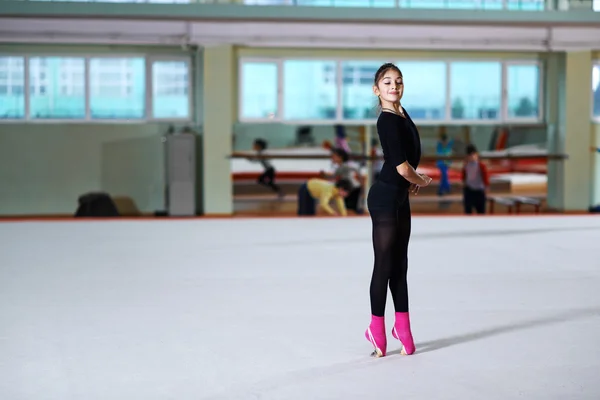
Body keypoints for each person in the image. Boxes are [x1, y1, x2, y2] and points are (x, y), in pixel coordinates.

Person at [364, 62, 432, 358]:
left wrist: (410, 182)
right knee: (384, 265)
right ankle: (376, 328)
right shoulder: (387, 120)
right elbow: (402, 166)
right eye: (387, 82)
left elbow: (407, 161)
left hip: (399, 196)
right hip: (384, 199)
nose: (394, 86)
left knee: (400, 265)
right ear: (376, 89)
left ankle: (402, 327)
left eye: (399, 81)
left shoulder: (401, 114)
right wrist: (420, 180)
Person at [320, 148, 364, 214]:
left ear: (340, 158)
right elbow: (356, 170)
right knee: (350, 208)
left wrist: (325, 175)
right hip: (352, 187)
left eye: (334, 156)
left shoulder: (343, 167)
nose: (333, 158)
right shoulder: (342, 166)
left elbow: (333, 176)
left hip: (351, 188)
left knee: (349, 208)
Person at [461, 144, 489, 215]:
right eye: (470, 155)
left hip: (479, 191)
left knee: (481, 212)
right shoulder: (466, 165)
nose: (472, 157)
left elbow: (485, 176)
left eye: (473, 154)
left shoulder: (481, 165)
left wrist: (486, 186)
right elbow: (464, 176)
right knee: (468, 212)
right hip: (469, 190)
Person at [436, 130, 454, 196]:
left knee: (445, 176)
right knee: (444, 175)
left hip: (447, 163)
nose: (445, 142)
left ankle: (443, 189)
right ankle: (445, 189)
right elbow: (440, 154)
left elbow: (450, 153)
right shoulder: (440, 146)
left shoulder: (448, 145)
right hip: (441, 164)